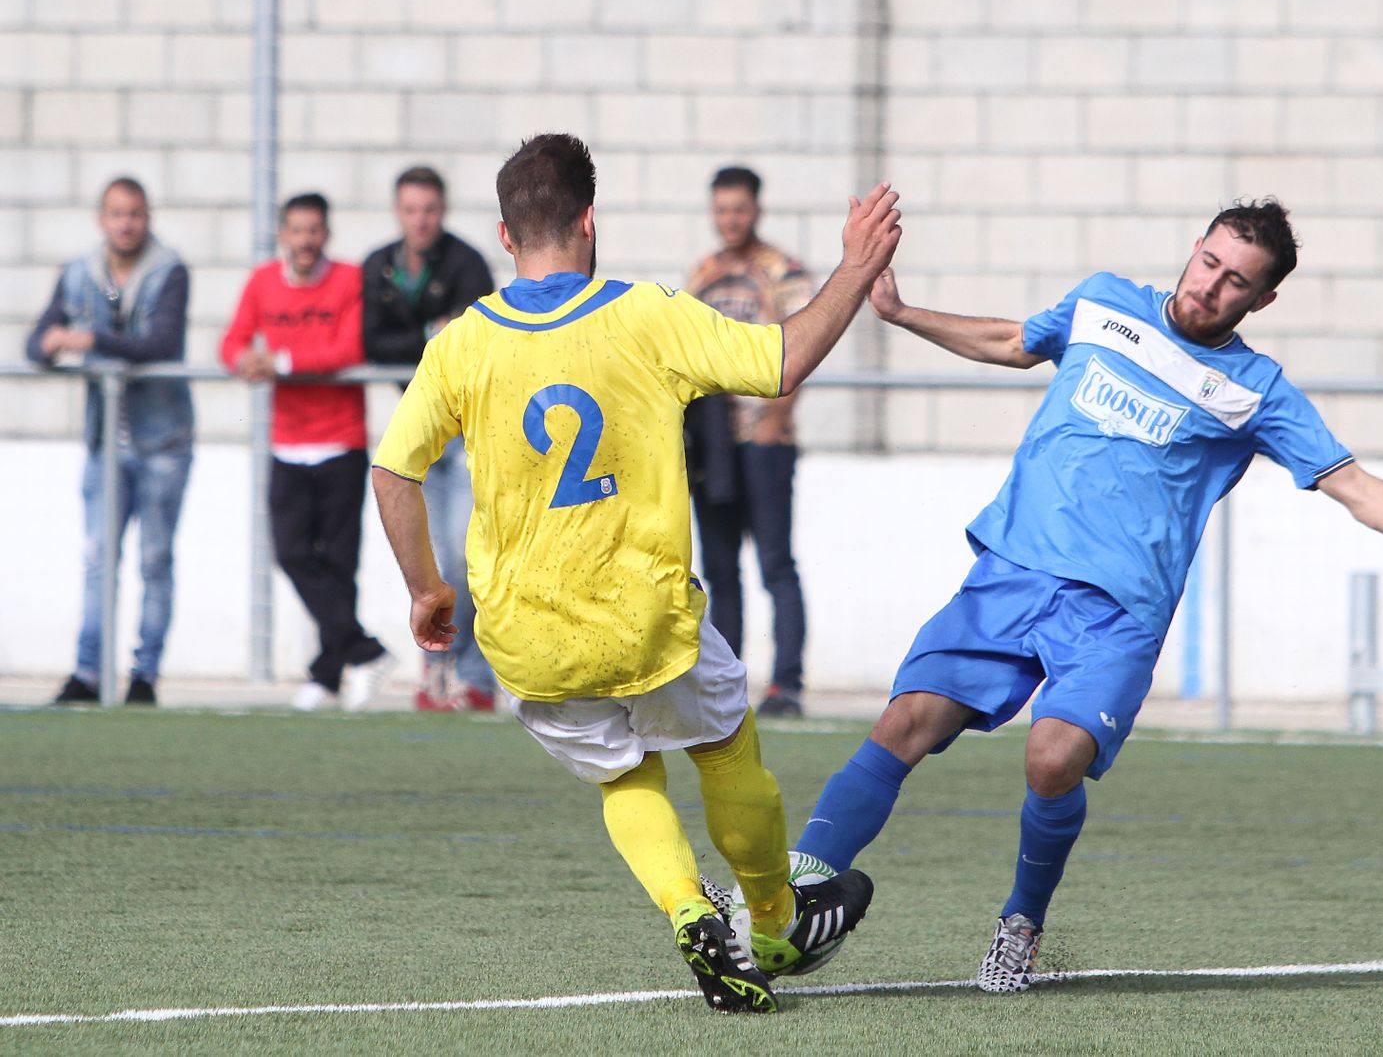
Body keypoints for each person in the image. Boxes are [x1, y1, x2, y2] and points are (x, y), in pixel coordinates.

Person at [781, 199, 1383, 994]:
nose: (1211, 286)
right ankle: (790, 894)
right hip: (1013, 570)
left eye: (1237, 282)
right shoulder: (1103, 303)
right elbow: (1014, 341)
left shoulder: (1257, 390)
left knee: (1052, 760)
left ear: (1263, 300)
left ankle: (1021, 919)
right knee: (903, 721)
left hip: (1117, 614)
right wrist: (902, 313)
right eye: (1210, 263)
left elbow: (1356, 487)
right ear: (1195, 249)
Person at [370, 134, 901, 1013]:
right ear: (588, 221)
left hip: (527, 636)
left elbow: (393, 471)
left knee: (623, 778)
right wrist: (852, 267)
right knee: (724, 746)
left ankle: (692, 913)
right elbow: (780, 362)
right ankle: (771, 920)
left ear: (506, 236)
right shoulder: (645, 313)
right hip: (647, 620)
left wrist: (427, 589)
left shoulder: (462, 343)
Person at [219, 192, 393, 711]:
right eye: (297, 230)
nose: (305, 240)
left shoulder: (348, 279)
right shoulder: (262, 282)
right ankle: (364, 651)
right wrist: (246, 361)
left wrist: (284, 360)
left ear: (326, 234)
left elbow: (350, 348)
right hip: (288, 445)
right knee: (292, 553)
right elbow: (230, 343)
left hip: (340, 440)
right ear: (283, 235)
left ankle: (326, 674)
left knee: (339, 564)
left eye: (314, 229)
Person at [26, 177, 194, 707]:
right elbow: (37, 342)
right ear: (102, 219)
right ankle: (88, 671)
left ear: (149, 217)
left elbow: (162, 342)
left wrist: (91, 340)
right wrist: (53, 344)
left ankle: (144, 676)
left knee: (154, 559)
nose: (127, 224)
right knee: (99, 558)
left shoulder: (170, 269)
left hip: (161, 442)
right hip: (105, 441)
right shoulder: (80, 272)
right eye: (118, 214)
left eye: (136, 214)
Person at [361, 166, 498, 712]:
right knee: (430, 559)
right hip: (418, 433)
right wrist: (426, 337)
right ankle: (437, 666)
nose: (421, 220)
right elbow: (374, 340)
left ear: (442, 211)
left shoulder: (466, 263)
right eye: (412, 209)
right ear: (399, 212)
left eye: (430, 210)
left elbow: (470, 339)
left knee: (466, 556)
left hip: (464, 433)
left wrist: (430, 342)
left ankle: (473, 673)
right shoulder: (380, 265)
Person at [683, 167, 814, 718]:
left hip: (765, 441)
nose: (729, 218)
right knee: (719, 571)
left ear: (756, 209)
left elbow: (805, 346)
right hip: (714, 447)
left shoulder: (784, 271)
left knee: (775, 565)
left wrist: (775, 416)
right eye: (721, 209)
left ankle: (786, 685)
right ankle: (726, 682)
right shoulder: (703, 275)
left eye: (738, 208)